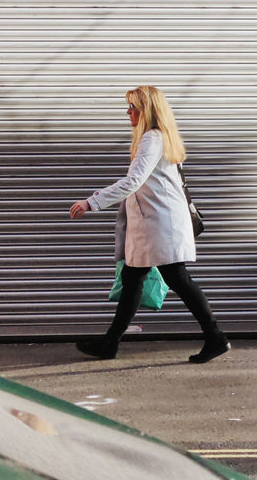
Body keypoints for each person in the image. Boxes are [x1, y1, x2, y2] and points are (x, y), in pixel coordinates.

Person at [70, 85, 230, 364]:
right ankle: (110, 343)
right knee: (133, 280)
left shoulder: (152, 139)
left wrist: (91, 202)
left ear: (147, 111)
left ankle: (215, 336)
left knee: (178, 279)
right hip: (155, 225)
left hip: (161, 226)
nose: (128, 112)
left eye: (133, 107)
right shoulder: (157, 138)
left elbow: (133, 182)